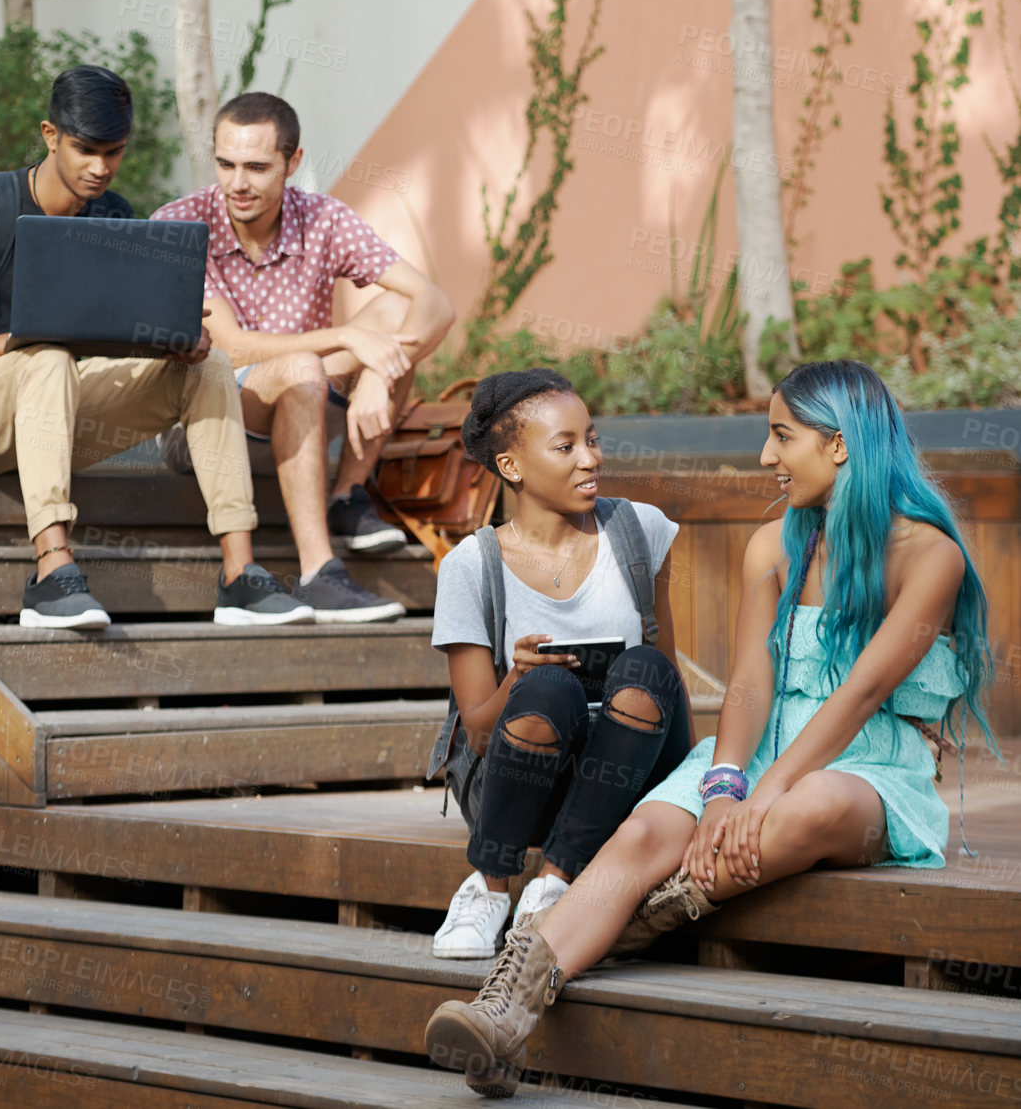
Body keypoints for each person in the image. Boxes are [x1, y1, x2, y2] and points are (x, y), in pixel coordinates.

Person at [425, 359, 997, 1098]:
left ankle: (624, 923)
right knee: (638, 836)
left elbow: (863, 693)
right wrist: (727, 782)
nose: (765, 456)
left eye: (780, 436)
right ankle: (501, 1014)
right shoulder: (773, 546)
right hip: (757, 750)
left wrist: (768, 790)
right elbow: (751, 683)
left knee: (808, 805)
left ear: (839, 444)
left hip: (866, 767)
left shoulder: (929, 555)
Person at [0, 65, 307, 632]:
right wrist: (25, 341)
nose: (100, 168)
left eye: (113, 152)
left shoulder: (114, 216)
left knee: (206, 362)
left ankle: (240, 575)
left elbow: (114, 345)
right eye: (86, 150)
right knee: (47, 356)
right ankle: (51, 572)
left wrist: (170, 346)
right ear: (50, 135)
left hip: (51, 414)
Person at [152, 92, 455, 625]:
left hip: (305, 411)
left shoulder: (322, 217)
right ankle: (320, 573)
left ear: (293, 163)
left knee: (391, 317)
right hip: (211, 425)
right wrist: (348, 341)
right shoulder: (181, 224)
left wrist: (377, 378)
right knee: (306, 364)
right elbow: (235, 346)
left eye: (257, 167)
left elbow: (435, 304)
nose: (237, 183)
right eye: (226, 164)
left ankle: (346, 494)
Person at [428, 368, 694, 962]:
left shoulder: (639, 530)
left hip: (629, 774)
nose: (589, 459)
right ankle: (490, 887)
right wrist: (517, 678)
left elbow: (667, 673)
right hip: (527, 778)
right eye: (565, 446)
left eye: (592, 439)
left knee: (646, 669)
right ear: (512, 467)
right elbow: (475, 728)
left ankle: (553, 882)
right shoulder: (472, 566)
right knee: (548, 687)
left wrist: (693, 789)